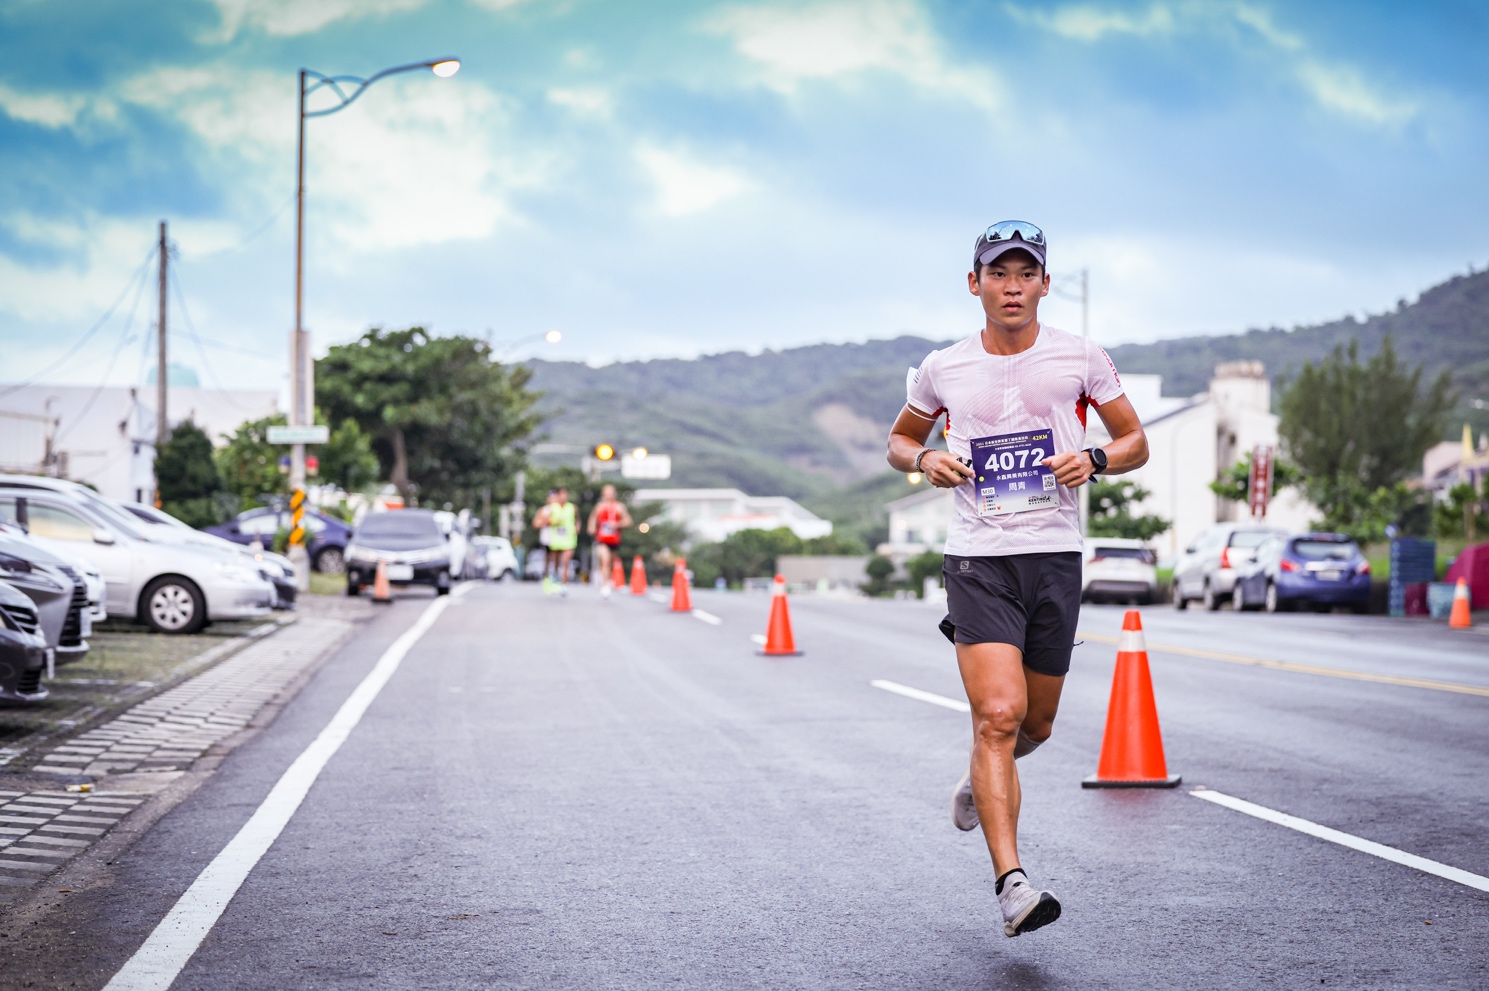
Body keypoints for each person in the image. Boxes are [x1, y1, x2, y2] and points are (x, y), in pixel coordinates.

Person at [885, 221, 1149, 938]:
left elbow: (1135, 442)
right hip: (978, 557)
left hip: (1054, 555)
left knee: (1035, 722)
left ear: (1042, 283)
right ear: (973, 284)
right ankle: (1012, 885)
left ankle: (979, 781)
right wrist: (922, 461)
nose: (1010, 285)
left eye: (1023, 273)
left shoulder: (1081, 358)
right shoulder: (942, 367)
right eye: (996, 274)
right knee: (997, 715)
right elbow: (900, 439)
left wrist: (1095, 459)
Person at [587, 484, 633, 598]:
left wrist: (617, 524)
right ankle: (605, 585)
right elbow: (592, 518)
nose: (609, 495)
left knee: (611, 562)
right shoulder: (600, 507)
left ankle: (609, 579)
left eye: (611, 493)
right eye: (606, 493)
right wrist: (591, 526)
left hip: (614, 540)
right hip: (601, 539)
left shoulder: (619, 507)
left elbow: (628, 521)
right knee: (605, 560)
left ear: (614, 494)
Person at [542, 487, 579, 595]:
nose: (564, 497)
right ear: (557, 496)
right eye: (561, 495)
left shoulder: (572, 508)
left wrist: (577, 528)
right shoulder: (552, 508)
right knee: (556, 562)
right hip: (556, 540)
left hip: (569, 539)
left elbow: (577, 520)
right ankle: (555, 576)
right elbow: (545, 522)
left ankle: (564, 584)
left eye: (565, 495)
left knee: (566, 561)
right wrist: (554, 521)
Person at [532, 490, 560, 594]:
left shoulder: (561, 510)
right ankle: (547, 580)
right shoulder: (544, 510)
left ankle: (556, 580)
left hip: (559, 539)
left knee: (557, 560)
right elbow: (536, 524)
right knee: (548, 560)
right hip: (547, 539)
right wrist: (546, 520)